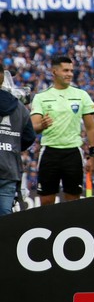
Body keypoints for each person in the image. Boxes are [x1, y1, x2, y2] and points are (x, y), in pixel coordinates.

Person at [29, 55, 94, 205]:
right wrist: (42, 125)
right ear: (54, 72)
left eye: (71, 71)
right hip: (49, 152)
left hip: (73, 153)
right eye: (65, 70)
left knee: (73, 202)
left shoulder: (81, 95)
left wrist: (93, 155)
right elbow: (34, 126)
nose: (70, 74)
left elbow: (91, 127)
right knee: (46, 202)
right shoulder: (41, 97)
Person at [0, 62, 36, 216]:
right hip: (9, 167)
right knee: (5, 216)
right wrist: (12, 144)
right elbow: (30, 136)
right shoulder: (20, 107)